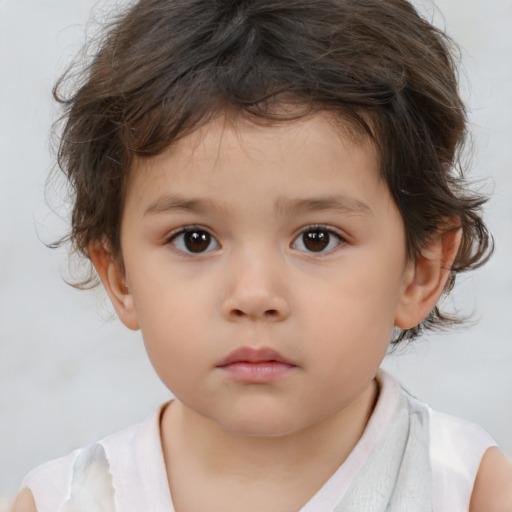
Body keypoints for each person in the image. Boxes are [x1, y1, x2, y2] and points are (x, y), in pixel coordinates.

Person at [13, 0, 512, 510]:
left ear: (420, 271)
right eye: (195, 239)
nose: (254, 296)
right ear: (120, 277)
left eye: (317, 238)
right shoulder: (66, 500)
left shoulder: (468, 488)